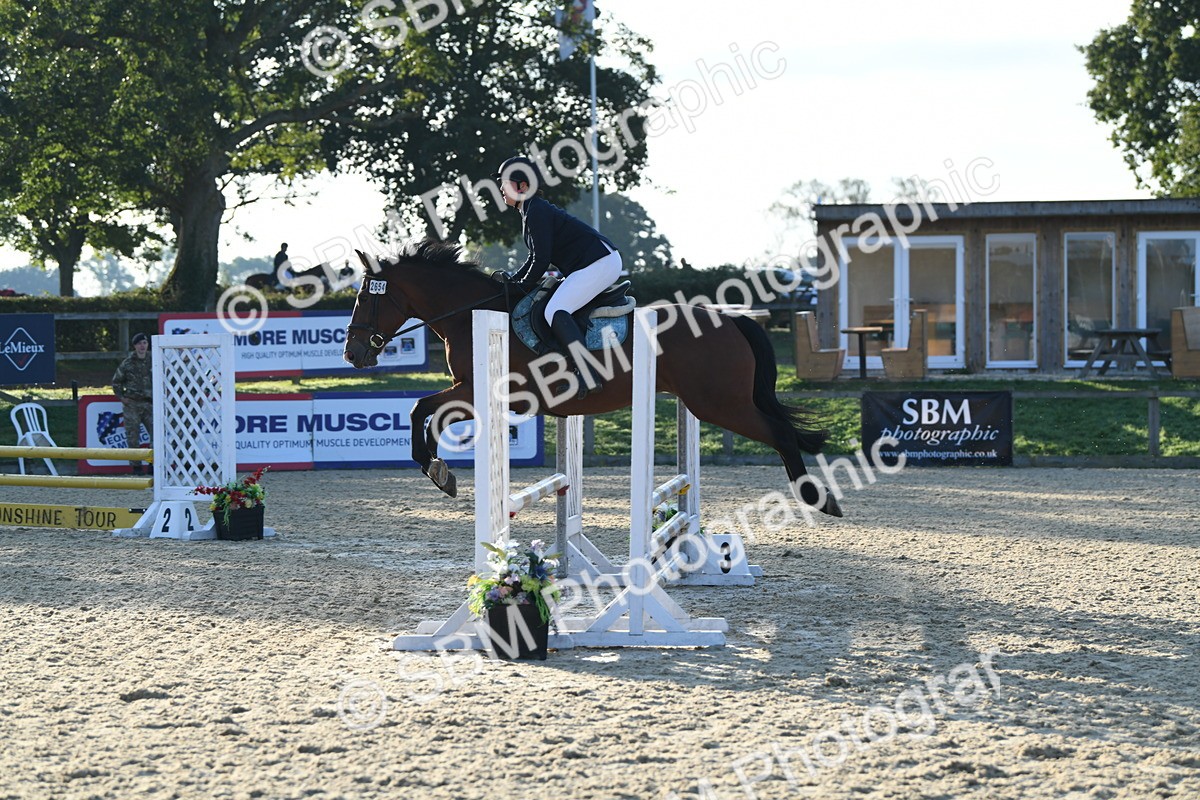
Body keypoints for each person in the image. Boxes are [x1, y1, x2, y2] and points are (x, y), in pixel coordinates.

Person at [496, 156, 622, 397]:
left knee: (555, 310)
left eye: (505, 182)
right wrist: (514, 281)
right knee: (553, 306)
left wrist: (520, 285)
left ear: (523, 186)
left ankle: (588, 374)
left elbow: (541, 260)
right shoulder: (531, 210)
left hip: (599, 263)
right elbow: (535, 257)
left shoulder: (536, 211)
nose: (501, 188)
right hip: (595, 262)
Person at [112, 332, 153, 474]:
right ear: (135, 346)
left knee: (155, 435)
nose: (142, 346)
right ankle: (136, 467)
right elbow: (116, 382)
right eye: (139, 343)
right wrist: (122, 397)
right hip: (133, 404)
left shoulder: (154, 359)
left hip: (149, 403)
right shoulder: (127, 363)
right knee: (133, 436)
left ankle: (153, 465)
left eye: (145, 343)